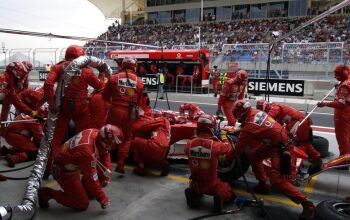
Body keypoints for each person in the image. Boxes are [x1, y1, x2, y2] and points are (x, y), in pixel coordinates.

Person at [232, 100, 315, 219]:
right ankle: (262, 185)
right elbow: (252, 126)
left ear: (240, 113)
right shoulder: (256, 112)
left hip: (280, 147)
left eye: (236, 113)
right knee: (254, 156)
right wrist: (240, 130)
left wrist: (226, 157)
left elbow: (238, 149)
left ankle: (307, 204)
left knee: (277, 181)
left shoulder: (249, 124)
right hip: (275, 141)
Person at [38, 125, 123, 210]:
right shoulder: (87, 152)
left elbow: (105, 153)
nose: (114, 146)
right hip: (63, 170)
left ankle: (86, 191)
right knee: (82, 203)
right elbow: (91, 178)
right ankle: (46, 193)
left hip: (71, 162)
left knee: (103, 176)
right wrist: (102, 198)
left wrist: (107, 175)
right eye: (113, 144)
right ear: (105, 140)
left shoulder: (95, 132)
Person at [44, 45, 104, 155]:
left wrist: (51, 103)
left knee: (56, 135)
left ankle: (51, 163)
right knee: (83, 134)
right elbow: (99, 85)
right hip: (81, 107)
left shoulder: (59, 67)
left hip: (63, 106)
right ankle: (80, 159)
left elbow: (48, 84)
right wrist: (102, 73)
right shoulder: (87, 70)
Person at [184, 114, 235, 212]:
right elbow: (228, 148)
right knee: (227, 190)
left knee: (194, 184)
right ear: (212, 128)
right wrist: (224, 137)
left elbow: (191, 149)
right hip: (212, 184)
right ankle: (220, 197)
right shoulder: (215, 145)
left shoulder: (189, 144)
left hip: (197, 182)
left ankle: (193, 193)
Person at [256, 100, 322, 174]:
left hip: (298, 122)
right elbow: (279, 124)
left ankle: (292, 169)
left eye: (260, 107)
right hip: (303, 121)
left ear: (265, 105)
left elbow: (267, 119)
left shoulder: (274, 108)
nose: (260, 109)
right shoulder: (278, 107)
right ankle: (317, 159)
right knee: (304, 143)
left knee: (289, 144)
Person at [102, 57, 144, 174]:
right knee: (127, 138)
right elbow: (139, 103)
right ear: (134, 66)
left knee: (106, 135)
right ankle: (121, 164)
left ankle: (103, 161)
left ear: (123, 65)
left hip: (115, 110)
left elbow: (104, 97)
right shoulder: (139, 82)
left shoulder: (114, 78)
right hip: (130, 114)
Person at [318, 65, 350, 157]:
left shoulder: (344, 86)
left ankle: (344, 160)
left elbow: (341, 104)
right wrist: (338, 86)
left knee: (342, 137)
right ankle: (347, 158)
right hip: (347, 111)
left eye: (337, 74)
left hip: (343, 114)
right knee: (347, 136)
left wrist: (325, 104)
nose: (335, 76)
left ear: (343, 74)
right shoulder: (346, 82)